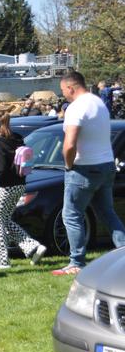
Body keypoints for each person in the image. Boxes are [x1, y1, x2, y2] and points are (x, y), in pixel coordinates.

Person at [53, 71, 125, 275]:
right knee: (107, 213)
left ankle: (76, 261)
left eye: (63, 90)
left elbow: (69, 144)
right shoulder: (98, 102)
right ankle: (123, 252)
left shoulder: (76, 108)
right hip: (106, 164)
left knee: (72, 215)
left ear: (71, 87)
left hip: (84, 168)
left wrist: (68, 165)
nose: (63, 94)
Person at [0, 112, 47, 269]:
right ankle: (33, 247)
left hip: (6, 187)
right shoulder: (17, 138)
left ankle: (1, 261)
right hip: (20, 185)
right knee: (5, 220)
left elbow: (0, 169)